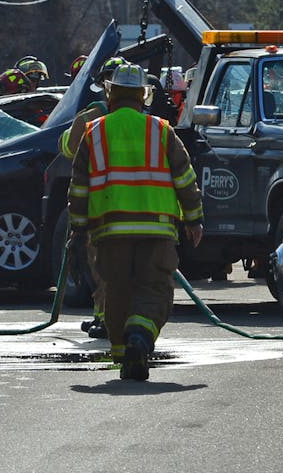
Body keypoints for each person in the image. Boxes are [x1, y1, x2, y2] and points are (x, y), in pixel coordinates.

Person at [67, 63, 204, 381]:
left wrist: (77, 230)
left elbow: (78, 186)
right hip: (156, 231)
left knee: (117, 291)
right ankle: (139, 341)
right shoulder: (161, 129)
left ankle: (125, 356)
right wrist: (194, 219)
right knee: (154, 288)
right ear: (144, 95)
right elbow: (184, 177)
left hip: (109, 233)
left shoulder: (94, 131)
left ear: (110, 92)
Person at [59, 56, 127, 339]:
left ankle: (104, 318)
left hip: (101, 206)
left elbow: (68, 149)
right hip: (139, 204)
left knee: (101, 266)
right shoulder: (147, 121)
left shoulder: (88, 119)